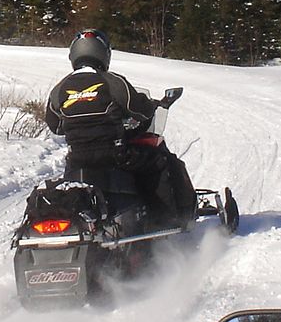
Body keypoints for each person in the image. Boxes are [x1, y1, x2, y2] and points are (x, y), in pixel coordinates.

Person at [43, 29, 196, 228]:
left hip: (78, 159)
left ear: (73, 54)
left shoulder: (59, 89)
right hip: (117, 155)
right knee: (158, 162)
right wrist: (151, 106)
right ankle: (166, 220)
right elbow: (139, 109)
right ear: (104, 53)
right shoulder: (111, 81)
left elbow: (55, 126)